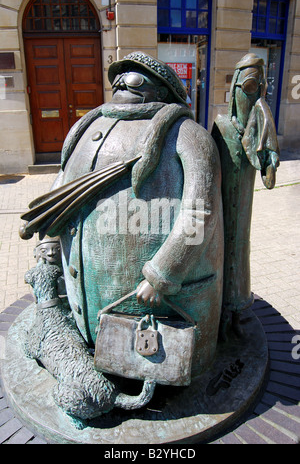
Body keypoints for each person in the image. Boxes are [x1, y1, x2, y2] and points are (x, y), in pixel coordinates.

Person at [31, 52, 224, 379]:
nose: (121, 84)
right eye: (117, 79)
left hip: (155, 301)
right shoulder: (88, 126)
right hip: (88, 300)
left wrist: (162, 272)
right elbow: (63, 186)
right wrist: (50, 237)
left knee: (151, 358)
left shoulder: (187, 134)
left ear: (162, 91)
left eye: (134, 79)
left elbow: (199, 209)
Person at [212, 53, 280, 339]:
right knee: (219, 256)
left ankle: (238, 309)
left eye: (260, 89)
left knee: (240, 253)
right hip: (220, 211)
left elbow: (267, 159)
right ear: (236, 91)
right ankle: (218, 312)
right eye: (249, 88)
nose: (254, 97)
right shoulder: (221, 127)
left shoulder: (259, 124)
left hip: (243, 213)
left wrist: (271, 162)